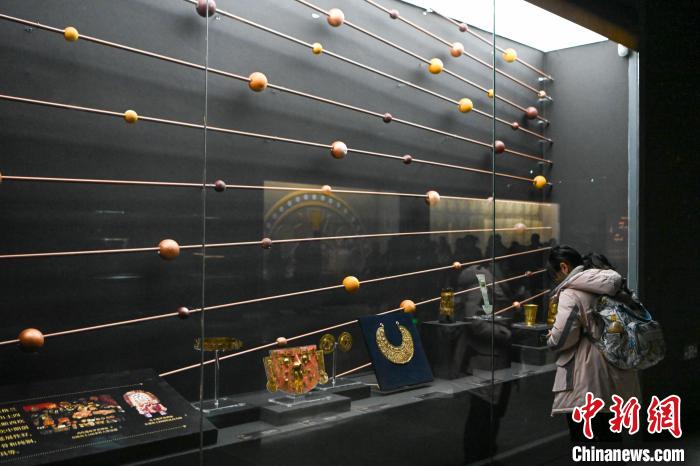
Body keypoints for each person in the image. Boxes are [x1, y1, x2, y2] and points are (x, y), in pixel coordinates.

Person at [546, 245, 641, 443]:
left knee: (583, 440)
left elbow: (562, 338)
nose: (556, 280)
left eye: (555, 275)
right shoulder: (618, 287)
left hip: (587, 378)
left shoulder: (572, 292)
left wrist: (550, 339)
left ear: (563, 267)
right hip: (619, 370)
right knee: (610, 437)